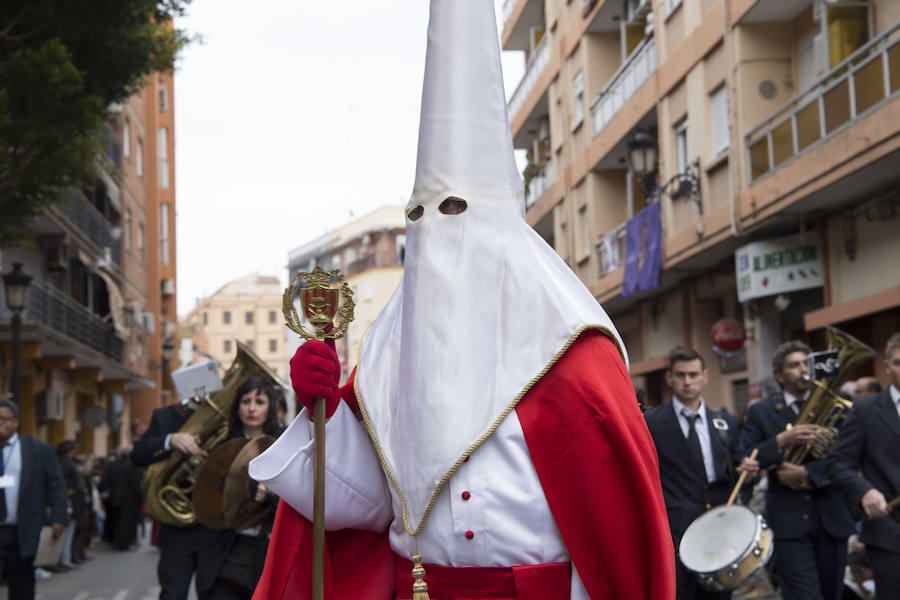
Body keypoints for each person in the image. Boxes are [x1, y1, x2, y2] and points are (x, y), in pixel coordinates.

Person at [248, 2, 675, 599]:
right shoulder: (388, 362)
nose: (438, 236)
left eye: (456, 213)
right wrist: (323, 413)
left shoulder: (571, 354)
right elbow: (360, 507)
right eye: (418, 219)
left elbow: (613, 532)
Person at [741, 340, 854, 600]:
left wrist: (808, 474)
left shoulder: (838, 405)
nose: (803, 369)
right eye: (794, 365)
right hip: (790, 523)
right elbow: (748, 456)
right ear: (780, 376)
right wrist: (781, 441)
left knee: (831, 593)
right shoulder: (761, 411)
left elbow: (849, 457)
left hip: (832, 518)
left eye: (806, 363)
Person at [645, 347, 759, 600]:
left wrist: (749, 473)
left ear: (704, 377)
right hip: (675, 534)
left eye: (693, 375)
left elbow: (739, 464)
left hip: (719, 529)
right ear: (669, 378)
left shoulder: (724, 421)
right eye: (681, 375)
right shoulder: (651, 422)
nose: (687, 382)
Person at [827, 332, 900, 598]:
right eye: (898, 363)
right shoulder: (865, 410)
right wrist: (865, 491)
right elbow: (838, 462)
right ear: (887, 367)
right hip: (889, 532)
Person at [198, 378, 282, 599]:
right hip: (226, 550)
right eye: (246, 401)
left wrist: (270, 496)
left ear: (270, 406)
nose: (252, 408)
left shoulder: (284, 443)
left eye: (260, 401)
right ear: (237, 406)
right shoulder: (221, 444)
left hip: (266, 549)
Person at [131, 394, 218, 599]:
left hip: (216, 523)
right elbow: (138, 454)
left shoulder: (231, 414)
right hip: (178, 525)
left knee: (216, 592)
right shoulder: (164, 417)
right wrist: (170, 440)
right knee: (173, 592)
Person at [0, 399, 68, 600]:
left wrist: (59, 518)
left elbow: (57, 486)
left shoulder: (38, 450)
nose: (0, 423)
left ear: (16, 422)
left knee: (21, 585)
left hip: (22, 530)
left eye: (4, 419)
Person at [100, 447, 143, 550]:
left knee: (117, 521)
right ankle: (124, 543)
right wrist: (140, 499)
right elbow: (136, 484)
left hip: (114, 498)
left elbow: (105, 481)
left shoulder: (111, 465)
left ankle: (117, 541)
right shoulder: (132, 466)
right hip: (128, 500)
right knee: (126, 522)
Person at [53, 440, 83, 570]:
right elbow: (76, 485)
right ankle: (64, 559)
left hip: (55, 500)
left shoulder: (55, 462)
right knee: (68, 531)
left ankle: (57, 559)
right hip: (69, 501)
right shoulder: (70, 465)